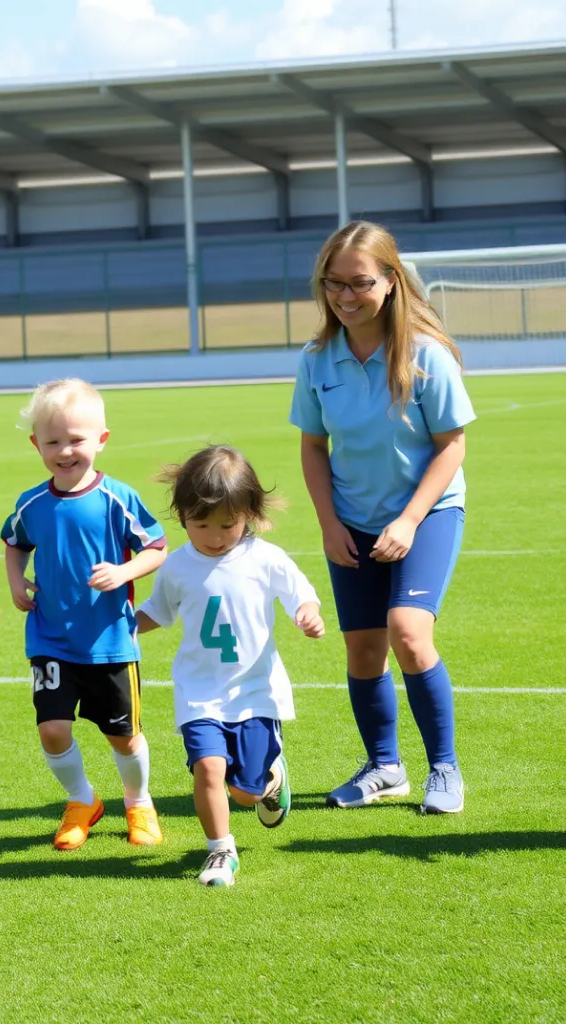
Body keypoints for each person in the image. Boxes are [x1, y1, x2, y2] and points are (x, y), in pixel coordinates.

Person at [290, 220, 475, 814]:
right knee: (364, 650)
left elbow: (451, 445)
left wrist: (409, 521)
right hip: (351, 519)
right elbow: (312, 446)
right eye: (333, 283)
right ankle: (384, 768)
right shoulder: (316, 360)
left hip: (427, 512)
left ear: (391, 281)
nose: (345, 296)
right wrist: (329, 524)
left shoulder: (426, 356)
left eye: (360, 283)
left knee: (409, 633)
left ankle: (444, 769)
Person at [137, 446, 325, 887]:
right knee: (208, 769)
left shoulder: (264, 558)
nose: (215, 536)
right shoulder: (177, 565)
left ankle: (271, 780)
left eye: (228, 525)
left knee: (245, 793)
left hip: (255, 692)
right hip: (199, 691)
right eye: (201, 524)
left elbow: (301, 593)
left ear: (250, 514)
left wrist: (308, 613)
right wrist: (122, 627)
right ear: (182, 515)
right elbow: (157, 611)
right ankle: (221, 850)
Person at [2, 379, 168, 850]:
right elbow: (15, 543)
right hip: (50, 638)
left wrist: (123, 571)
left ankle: (138, 802)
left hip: (109, 640)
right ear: (36, 444)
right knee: (53, 730)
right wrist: (16, 580)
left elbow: (156, 547)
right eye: (52, 441)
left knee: (124, 736)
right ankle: (82, 800)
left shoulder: (117, 498)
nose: (65, 451)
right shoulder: (32, 503)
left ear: (101, 440)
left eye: (76, 439)